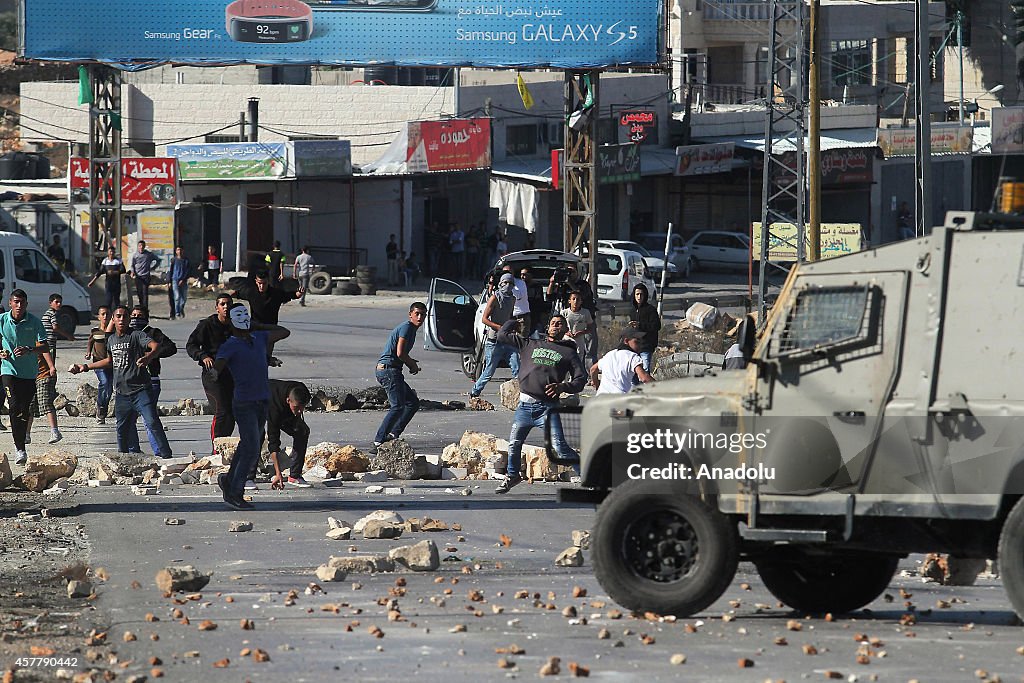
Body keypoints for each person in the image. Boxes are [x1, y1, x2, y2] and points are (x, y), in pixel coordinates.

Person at [494, 313, 587, 494]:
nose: (555, 326)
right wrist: (515, 321)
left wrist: (563, 386)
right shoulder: (530, 343)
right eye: (553, 323)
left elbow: (581, 379)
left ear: (566, 330)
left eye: (560, 324)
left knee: (559, 448)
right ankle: (513, 476)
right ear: (547, 327)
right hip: (524, 406)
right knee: (514, 443)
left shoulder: (568, 352)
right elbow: (501, 335)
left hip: (547, 408)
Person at [213, 304, 290, 509]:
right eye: (240, 316)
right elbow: (219, 365)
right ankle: (235, 492)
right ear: (230, 321)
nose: (244, 319)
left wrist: (257, 325)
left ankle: (229, 481)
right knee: (251, 447)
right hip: (244, 402)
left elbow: (284, 332)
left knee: (248, 445)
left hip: (262, 400)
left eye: (246, 315)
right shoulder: (230, 344)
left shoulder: (258, 339)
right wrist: (214, 372)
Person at [70, 306, 172, 459]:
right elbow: (110, 361)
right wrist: (85, 367)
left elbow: (156, 346)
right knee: (122, 429)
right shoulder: (111, 339)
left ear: (129, 319)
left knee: (152, 422)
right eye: (118, 316)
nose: (122, 319)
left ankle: (167, 457)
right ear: (114, 319)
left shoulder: (137, 335)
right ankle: (124, 459)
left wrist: (148, 358)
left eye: (125, 316)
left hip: (141, 390)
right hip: (122, 393)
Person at [0, 289, 52, 464]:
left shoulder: (35, 322)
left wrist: (30, 350)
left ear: (26, 304)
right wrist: (1, 352)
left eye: (22, 302)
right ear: (10, 303)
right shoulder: (2, 320)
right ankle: (19, 448)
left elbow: (45, 347)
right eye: (16, 302)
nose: (19, 305)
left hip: (29, 373)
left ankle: (20, 443)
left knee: (23, 411)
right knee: (14, 406)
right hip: (8, 370)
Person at [372, 302, 426, 452]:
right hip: (388, 370)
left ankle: (393, 434)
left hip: (393, 370)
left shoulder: (411, 329)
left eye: (422, 314)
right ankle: (378, 441)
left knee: (412, 403)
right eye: (417, 314)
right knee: (397, 406)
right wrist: (412, 365)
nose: (420, 317)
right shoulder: (407, 327)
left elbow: (401, 354)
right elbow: (400, 353)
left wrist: (410, 362)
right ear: (410, 315)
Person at [185, 294, 236, 450]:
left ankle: (225, 446)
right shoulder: (207, 325)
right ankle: (216, 449)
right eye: (222, 304)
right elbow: (191, 345)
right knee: (221, 411)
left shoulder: (237, 325)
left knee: (232, 412)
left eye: (228, 304)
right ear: (217, 307)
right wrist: (203, 356)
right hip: (212, 375)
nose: (226, 307)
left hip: (233, 374)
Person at [129, 306, 177, 456]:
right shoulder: (126, 334)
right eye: (133, 315)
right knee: (128, 418)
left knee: (148, 418)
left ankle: (160, 453)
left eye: (140, 316)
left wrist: (151, 354)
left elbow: (171, 348)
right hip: (129, 382)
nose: (136, 318)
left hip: (151, 381)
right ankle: (133, 451)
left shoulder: (153, 333)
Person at [468, 272, 520, 399]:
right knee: (489, 370)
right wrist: (499, 328)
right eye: (505, 283)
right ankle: (475, 392)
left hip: (507, 339)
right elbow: (484, 319)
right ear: (500, 284)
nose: (508, 286)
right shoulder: (495, 298)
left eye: (511, 283)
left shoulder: (512, 298)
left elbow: (510, 315)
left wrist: (513, 326)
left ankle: (521, 394)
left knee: (517, 365)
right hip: (494, 340)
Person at [266, 380, 313, 488]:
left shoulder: (303, 392)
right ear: (288, 401)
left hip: (284, 408)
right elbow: (273, 442)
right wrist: (278, 474)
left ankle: (295, 476)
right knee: (257, 437)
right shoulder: (274, 409)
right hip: (258, 403)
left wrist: (297, 419)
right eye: (296, 408)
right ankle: (248, 477)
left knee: (302, 431)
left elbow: (298, 410)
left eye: (302, 407)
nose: (300, 411)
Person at [589, 328, 654, 394]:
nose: (640, 345)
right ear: (626, 341)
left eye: (641, 342)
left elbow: (593, 369)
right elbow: (644, 378)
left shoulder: (610, 354)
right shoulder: (633, 356)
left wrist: (596, 383)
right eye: (637, 342)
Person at [86, 306, 114, 424]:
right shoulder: (95, 331)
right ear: (99, 316)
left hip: (111, 363)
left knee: (109, 388)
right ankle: (101, 409)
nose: (105, 316)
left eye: (107, 314)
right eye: (103, 314)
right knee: (105, 382)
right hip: (98, 362)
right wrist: (88, 352)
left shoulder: (114, 331)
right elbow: (90, 341)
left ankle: (103, 407)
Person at [628, 284, 661, 380]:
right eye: (637, 294)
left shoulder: (650, 310)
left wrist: (640, 325)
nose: (639, 297)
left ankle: (646, 392)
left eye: (641, 294)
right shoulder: (633, 310)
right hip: (634, 346)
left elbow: (656, 326)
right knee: (633, 372)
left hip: (646, 345)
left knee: (645, 371)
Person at [560, 290, 596, 366]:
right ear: (569, 301)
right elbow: (560, 326)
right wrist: (567, 332)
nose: (576, 301)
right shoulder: (564, 312)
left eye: (578, 299)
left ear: (581, 301)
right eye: (573, 299)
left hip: (579, 341)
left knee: (577, 363)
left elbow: (590, 327)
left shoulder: (585, 313)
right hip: (566, 339)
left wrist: (581, 332)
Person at [88, 247, 126, 311]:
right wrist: (92, 281)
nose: (111, 253)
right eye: (110, 252)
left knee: (117, 300)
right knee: (108, 300)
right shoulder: (105, 261)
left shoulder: (118, 260)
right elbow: (99, 272)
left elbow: (123, 270)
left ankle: (117, 314)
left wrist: (114, 272)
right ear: (108, 252)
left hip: (116, 283)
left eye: (113, 252)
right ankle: (109, 314)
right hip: (109, 284)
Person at [129, 240, 160, 309]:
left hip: (145, 275)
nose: (141, 247)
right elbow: (132, 265)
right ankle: (141, 307)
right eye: (140, 246)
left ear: (144, 246)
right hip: (138, 276)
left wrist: (153, 267)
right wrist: (132, 272)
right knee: (139, 293)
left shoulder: (148, 254)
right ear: (138, 247)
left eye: (142, 246)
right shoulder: (135, 255)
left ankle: (145, 309)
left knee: (145, 293)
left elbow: (158, 260)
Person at [169, 246, 191, 319]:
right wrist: (169, 281)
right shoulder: (173, 260)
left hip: (183, 281)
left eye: (181, 250)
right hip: (175, 280)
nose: (179, 251)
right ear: (176, 251)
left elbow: (188, 271)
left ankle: (181, 308)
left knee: (184, 298)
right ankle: (177, 313)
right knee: (177, 297)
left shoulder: (186, 260)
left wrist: (183, 279)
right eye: (178, 250)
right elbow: (171, 271)